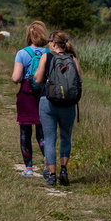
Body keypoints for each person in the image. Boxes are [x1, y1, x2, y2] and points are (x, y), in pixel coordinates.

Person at [34, 30, 82, 186]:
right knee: (66, 138)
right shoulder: (73, 59)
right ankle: (64, 171)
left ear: (53, 43)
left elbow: (39, 79)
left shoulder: (46, 57)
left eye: (49, 41)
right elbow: (79, 81)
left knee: (49, 139)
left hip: (47, 102)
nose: (48, 44)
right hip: (68, 104)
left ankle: (52, 175)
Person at [10, 20, 48, 177]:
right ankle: (48, 163)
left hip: (27, 94)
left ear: (29, 35)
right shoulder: (48, 52)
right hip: (44, 94)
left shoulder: (22, 53)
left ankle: (29, 168)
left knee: (25, 132)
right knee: (43, 132)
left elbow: (15, 78)